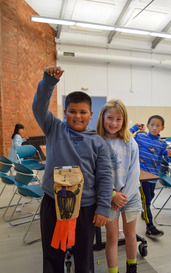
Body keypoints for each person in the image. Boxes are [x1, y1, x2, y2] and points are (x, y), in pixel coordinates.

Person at [32, 66, 113, 273]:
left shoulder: (99, 143)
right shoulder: (54, 128)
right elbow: (39, 107)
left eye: (83, 112)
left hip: (85, 207)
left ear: (91, 114)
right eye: (72, 112)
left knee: (84, 255)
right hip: (53, 203)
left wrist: (103, 207)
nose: (78, 116)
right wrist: (48, 82)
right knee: (52, 253)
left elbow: (105, 177)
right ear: (65, 112)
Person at [96, 99, 142, 273]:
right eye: (110, 118)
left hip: (129, 196)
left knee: (130, 235)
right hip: (108, 198)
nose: (113, 123)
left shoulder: (130, 142)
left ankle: (132, 267)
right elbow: (96, 174)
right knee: (112, 237)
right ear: (102, 118)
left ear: (124, 121)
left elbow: (134, 172)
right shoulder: (97, 142)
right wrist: (112, 195)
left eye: (118, 119)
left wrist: (123, 197)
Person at [130, 115, 171, 239]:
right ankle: (149, 227)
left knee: (150, 197)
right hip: (140, 176)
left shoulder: (162, 144)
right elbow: (126, 136)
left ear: (162, 128)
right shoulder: (140, 136)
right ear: (148, 125)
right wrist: (134, 128)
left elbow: (169, 157)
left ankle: (144, 212)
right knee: (145, 200)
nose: (154, 128)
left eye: (157, 126)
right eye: (152, 125)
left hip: (153, 176)